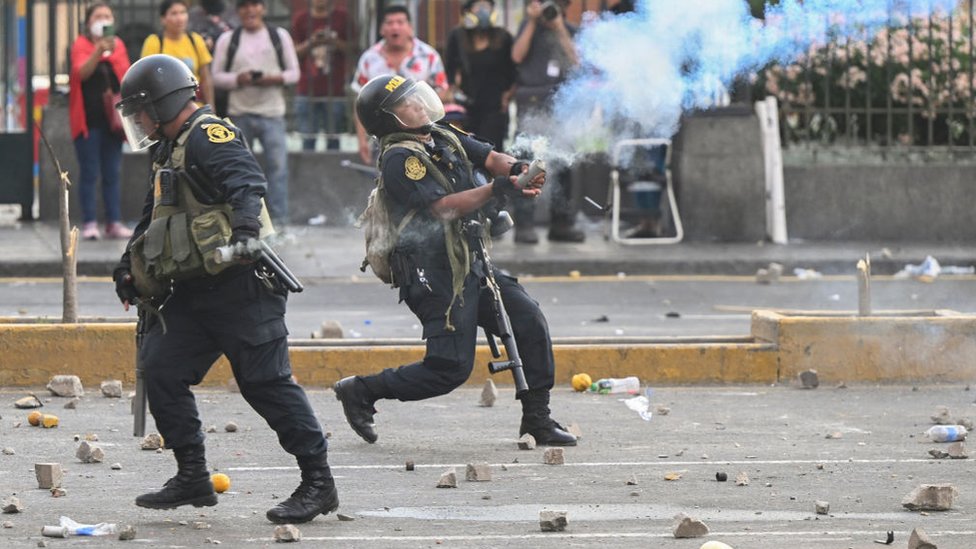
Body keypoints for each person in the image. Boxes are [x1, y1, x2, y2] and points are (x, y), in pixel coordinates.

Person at [111, 54, 337, 524]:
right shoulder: (166, 147)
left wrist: (245, 232)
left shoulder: (211, 135)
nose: (139, 121)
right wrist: (126, 265)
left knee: (265, 384)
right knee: (161, 367)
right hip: (192, 291)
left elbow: (248, 184)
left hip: (242, 287)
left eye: (141, 110)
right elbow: (153, 215)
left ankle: (319, 483)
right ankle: (192, 475)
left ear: (163, 101)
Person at [333, 74, 577, 449]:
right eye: (405, 105)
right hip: (432, 272)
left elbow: (491, 157)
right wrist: (496, 189)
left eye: (415, 98)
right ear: (389, 120)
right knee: (449, 369)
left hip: (469, 259)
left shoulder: (441, 134)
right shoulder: (400, 158)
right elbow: (443, 209)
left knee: (527, 319)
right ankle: (361, 390)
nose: (417, 106)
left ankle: (538, 419)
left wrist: (516, 170)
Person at [212, 0, 300, 227]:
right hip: (238, 114)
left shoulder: (278, 36)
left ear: (263, 8)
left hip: (272, 113)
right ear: (238, 11)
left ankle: (280, 222)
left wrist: (272, 78)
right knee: (238, 172)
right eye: (244, 6)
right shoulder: (228, 40)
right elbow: (216, 77)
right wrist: (237, 79)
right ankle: (244, 221)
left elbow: (294, 74)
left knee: (278, 169)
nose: (250, 10)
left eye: (254, 4)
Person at [511, 0, 584, 244]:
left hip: (561, 103)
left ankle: (562, 223)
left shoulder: (570, 30)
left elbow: (577, 62)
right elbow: (517, 56)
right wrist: (532, 22)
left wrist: (560, 28)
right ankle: (524, 224)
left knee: (563, 163)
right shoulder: (528, 27)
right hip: (531, 103)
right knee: (527, 163)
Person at [350, 6, 449, 165]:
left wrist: (419, 111)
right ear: (382, 29)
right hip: (383, 138)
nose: (395, 27)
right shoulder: (369, 58)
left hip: (423, 134)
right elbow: (360, 102)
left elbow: (442, 89)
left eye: (400, 22)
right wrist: (361, 140)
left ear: (410, 27)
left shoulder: (428, 55)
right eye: (389, 22)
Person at [69, 2, 132, 241]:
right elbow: (80, 73)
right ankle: (89, 222)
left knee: (112, 173)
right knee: (89, 172)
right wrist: (98, 51)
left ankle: (114, 221)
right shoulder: (81, 45)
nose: (103, 19)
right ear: (88, 22)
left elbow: (126, 77)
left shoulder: (119, 46)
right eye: (98, 16)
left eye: (107, 16)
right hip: (88, 121)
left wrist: (111, 52)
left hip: (113, 122)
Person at [444, 0, 516, 151]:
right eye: (479, 7)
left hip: (495, 109)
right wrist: (452, 88)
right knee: (466, 151)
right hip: (466, 108)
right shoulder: (457, 36)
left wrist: (508, 96)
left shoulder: (504, 37)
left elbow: (514, 71)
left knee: (491, 151)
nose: (483, 11)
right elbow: (450, 66)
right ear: (468, 11)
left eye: (487, 6)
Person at [291, 0, 351, 151]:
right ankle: (306, 174)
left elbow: (353, 49)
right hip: (306, 88)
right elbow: (293, 53)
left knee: (334, 140)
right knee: (307, 140)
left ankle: (334, 173)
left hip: (335, 89)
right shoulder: (301, 19)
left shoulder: (343, 17)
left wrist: (333, 41)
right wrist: (311, 42)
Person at [140, 0, 215, 108]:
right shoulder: (154, 42)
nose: (180, 18)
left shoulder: (195, 40)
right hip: (166, 108)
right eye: (174, 13)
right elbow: (147, 78)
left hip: (194, 106)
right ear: (163, 19)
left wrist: (211, 107)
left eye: (183, 12)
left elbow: (206, 77)